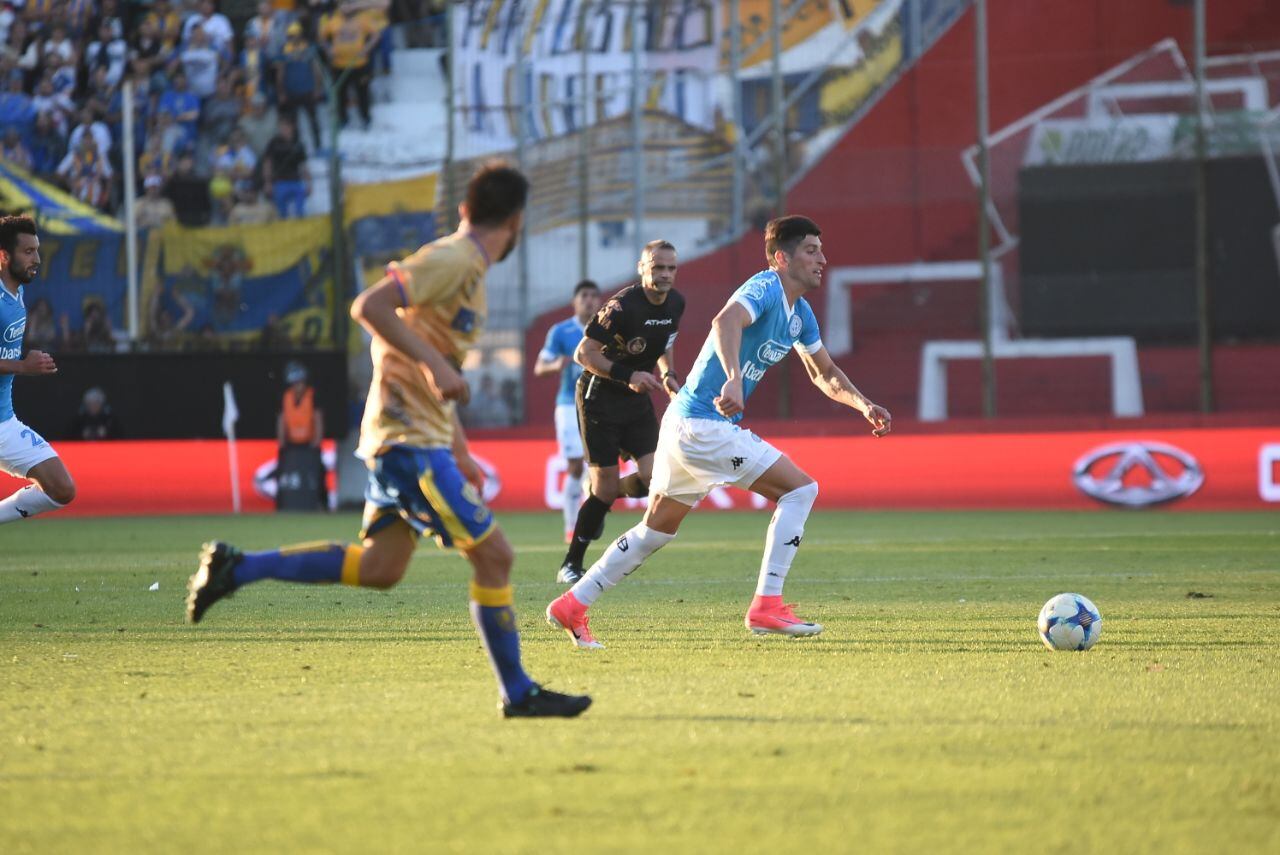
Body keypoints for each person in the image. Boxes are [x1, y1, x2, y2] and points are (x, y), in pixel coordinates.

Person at [186, 162, 591, 719]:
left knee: (382, 568)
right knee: (496, 556)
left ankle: (238, 567)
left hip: (417, 436)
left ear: (465, 208)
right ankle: (518, 692)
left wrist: (462, 449)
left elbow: (424, 355)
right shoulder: (451, 258)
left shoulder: (467, 270)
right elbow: (369, 307)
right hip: (407, 443)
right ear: (517, 220)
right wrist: (433, 369)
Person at [546, 216, 892, 649]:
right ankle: (767, 604)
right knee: (801, 491)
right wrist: (732, 379)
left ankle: (573, 604)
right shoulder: (764, 287)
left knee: (654, 531)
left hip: (686, 425)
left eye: (821, 250)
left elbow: (824, 372)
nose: (822, 259)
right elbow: (724, 322)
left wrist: (863, 404)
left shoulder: (800, 315)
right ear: (781, 258)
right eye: (810, 250)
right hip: (703, 425)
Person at [554, 241, 684, 585]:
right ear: (643, 269)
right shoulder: (621, 306)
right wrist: (629, 375)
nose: (666, 274)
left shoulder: (676, 303)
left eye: (671, 268)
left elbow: (665, 342)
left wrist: (668, 373)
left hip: (636, 399)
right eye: (658, 268)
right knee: (604, 488)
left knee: (656, 479)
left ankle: (603, 495)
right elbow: (584, 353)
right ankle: (571, 563)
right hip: (599, 399)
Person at [0, 215, 77, 525]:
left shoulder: (17, 293)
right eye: (28, 252)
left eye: (37, 250)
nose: (37, 259)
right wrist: (23, 366)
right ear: (4, 256)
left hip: (4, 421)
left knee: (61, 488)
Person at [534, 279, 600, 543]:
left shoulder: (606, 330)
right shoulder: (561, 332)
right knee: (575, 466)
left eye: (594, 296)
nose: (589, 300)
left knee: (595, 467)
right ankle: (572, 527)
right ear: (575, 301)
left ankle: (588, 521)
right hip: (568, 405)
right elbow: (540, 367)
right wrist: (560, 363)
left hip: (598, 404)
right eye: (584, 295)